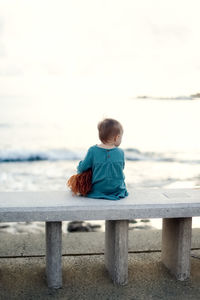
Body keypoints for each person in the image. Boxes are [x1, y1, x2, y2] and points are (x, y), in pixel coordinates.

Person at [77, 118, 128, 200]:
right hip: (117, 190)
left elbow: (82, 168)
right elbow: (121, 168)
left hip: (98, 190)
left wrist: (80, 166)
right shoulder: (120, 152)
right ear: (117, 137)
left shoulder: (93, 150)